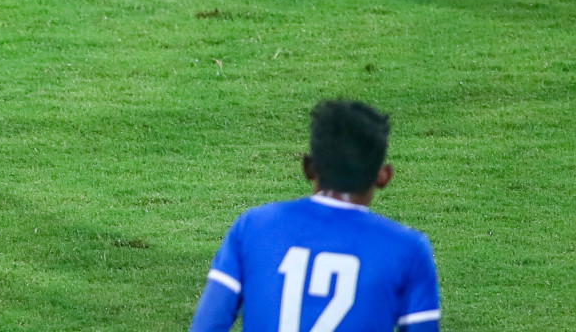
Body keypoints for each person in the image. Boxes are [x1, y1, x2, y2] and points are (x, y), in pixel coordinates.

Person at [189, 100, 441, 332]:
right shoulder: (407, 250)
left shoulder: (254, 227)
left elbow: (208, 325)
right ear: (384, 175)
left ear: (308, 167)